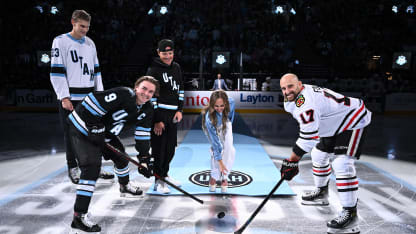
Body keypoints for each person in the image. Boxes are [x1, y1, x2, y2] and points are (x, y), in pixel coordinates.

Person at [279, 73, 371, 234]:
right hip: (333, 123)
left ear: (300, 84)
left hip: (353, 120)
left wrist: (292, 161)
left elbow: (309, 136)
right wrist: (293, 161)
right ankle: (322, 193)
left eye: (290, 86)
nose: (287, 91)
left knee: (342, 163)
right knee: (318, 155)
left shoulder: (306, 102)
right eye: (283, 88)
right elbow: (311, 131)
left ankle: (351, 214)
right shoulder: (293, 99)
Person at [67, 76, 159, 233]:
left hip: (103, 134)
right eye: (144, 88)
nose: (146, 93)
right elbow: (91, 102)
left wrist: (144, 159)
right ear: (136, 87)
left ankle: (124, 186)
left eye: (151, 91)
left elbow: (142, 134)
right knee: (91, 169)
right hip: (82, 129)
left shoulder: (147, 108)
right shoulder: (124, 94)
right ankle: (79, 216)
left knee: (122, 159)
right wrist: (94, 127)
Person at [50, 9, 113, 184]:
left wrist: (100, 96)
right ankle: (73, 167)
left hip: (89, 97)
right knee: (71, 134)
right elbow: (56, 71)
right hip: (71, 97)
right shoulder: (60, 41)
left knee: (94, 133)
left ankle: (94, 166)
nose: (84, 30)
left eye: (87, 27)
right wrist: (64, 96)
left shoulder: (90, 43)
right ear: (73, 22)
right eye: (81, 26)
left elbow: (97, 71)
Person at [146, 39, 184, 194]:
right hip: (159, 115)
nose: (167, 56)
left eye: (170, 53)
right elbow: (150, 97)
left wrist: (180, 110)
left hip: (173, 115)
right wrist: (157, 120)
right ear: (158, 52)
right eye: (164, 53)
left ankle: (165, 174)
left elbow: (181, 90)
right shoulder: (153, 70)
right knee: (158, 150)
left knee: (170, 149)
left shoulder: (176, 68)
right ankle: (158, 180)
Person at [201, 90, 235, 193]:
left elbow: (231, 116)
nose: (219, 109)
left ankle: (224, 176)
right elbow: (216, 144)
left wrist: (226, 126)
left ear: (226, 103)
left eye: (222, 105)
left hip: (225, 122)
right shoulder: (209, 119)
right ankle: (214, 177)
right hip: (212, 125)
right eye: (216, 106)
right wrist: (220, 162)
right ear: (212, 105)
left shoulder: (231, 102)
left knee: (230, 148)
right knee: (217, 149)